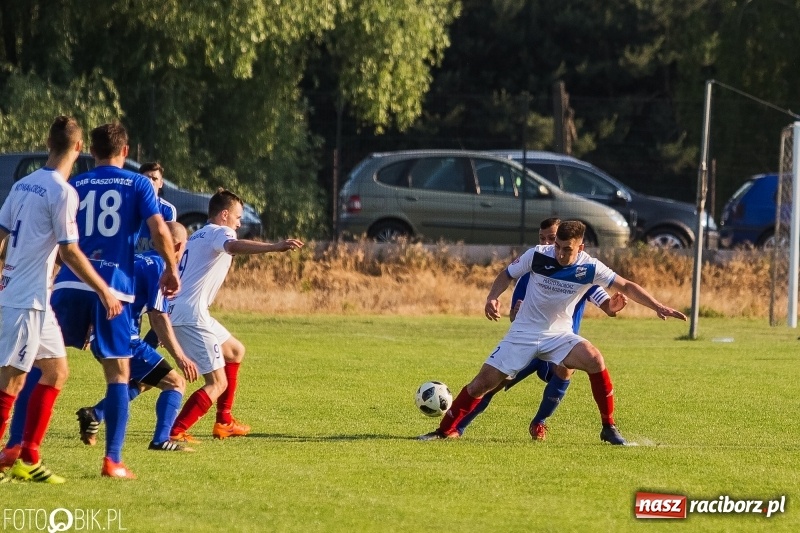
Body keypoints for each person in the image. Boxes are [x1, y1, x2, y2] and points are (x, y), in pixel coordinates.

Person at [419, 220, 686, 445]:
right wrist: (492, 297)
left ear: (580, 247)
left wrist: (656, 306)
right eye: (556, 246)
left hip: (559, 336)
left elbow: (626, 286)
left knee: (594, 359)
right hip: (523, 333)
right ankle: (445, 431)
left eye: (566, 249)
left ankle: (608, 427)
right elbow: (506, 274)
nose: (559, 252)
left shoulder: (590, 267)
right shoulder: (537, 255)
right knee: (482, 384)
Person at [50, 122, 180, 479]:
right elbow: (158, 229)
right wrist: (171, 267)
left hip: (69, 284)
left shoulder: (74, 184)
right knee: (119, 373)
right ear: (126, 151)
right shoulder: (138, 183)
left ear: (91, 151)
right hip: (114, 289)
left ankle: (18, 446)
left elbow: (59, 239)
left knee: (36, 361)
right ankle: (113, 460)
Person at [0, 116, 123, 483]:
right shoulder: (62, 191)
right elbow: (69, 252)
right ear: (79, 148)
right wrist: (103, 289)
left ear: (47, 143)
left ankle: (27, 458)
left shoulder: (23, 184)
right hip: (25, 300)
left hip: (33, 295)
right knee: (11, 381)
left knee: (55, 371)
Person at [455, 218, 627, 440]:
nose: (547, 243)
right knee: (494, 383)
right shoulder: (531, 273)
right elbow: (514, 317)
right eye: (543, 239)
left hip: (560, 342)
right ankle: (458, 427)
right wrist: (513, 309)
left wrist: (612, 307)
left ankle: (539, 422)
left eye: (552, 238)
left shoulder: (582, 273)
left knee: (566, 369)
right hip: (528, 340)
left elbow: (605, 303)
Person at [167, 188, 303, 442]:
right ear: (225, 214)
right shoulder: (222, 232)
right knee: (217, 383)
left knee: (235, 350)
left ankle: (224, 421)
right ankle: (174, 432)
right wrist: (274, 246)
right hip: (191, 315)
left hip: (183, 310)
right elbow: (232, 245)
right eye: (238, 218)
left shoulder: (197, 235)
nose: (239, 224)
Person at [76, 221, 199, 452]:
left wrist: (88, 328)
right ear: (179, 246)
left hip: (104, 334)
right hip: (123, 338)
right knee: (175, 383)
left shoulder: (135, 260)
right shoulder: (159, 266)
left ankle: (96, 413)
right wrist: (181, 356)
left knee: (143, 381)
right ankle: (161, 440)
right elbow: (158, 316)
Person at [135, 162, 177, 254]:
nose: (150, 182)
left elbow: (169, 242)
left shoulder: (168, 209)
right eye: (146, 178)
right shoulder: (128, 204)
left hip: (153, 261)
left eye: (154, 179)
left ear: (161, 183)